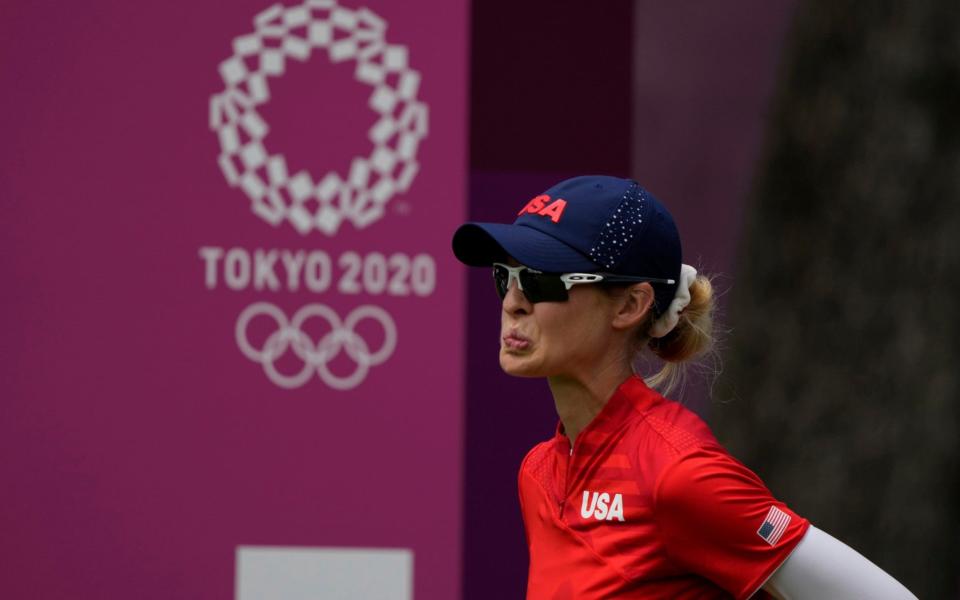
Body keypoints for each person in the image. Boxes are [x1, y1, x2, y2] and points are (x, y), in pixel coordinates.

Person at [452, 175, 916, 599]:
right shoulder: (538, 473)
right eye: (504, 276)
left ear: (631, 305)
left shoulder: (680, 475)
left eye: (539, 280)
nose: (513, 302)